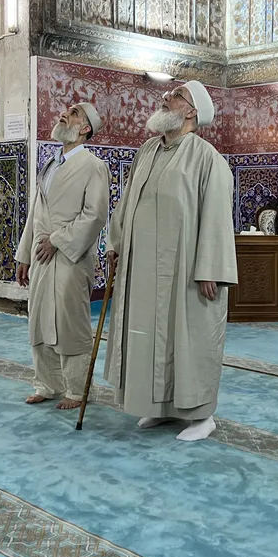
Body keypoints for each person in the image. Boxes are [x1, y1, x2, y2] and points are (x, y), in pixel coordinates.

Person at [104, 80, 237, 441]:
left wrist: (211, 268)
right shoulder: (147, 150)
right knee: (148, 338)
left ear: (192, 112)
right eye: (169, 93)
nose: (165, 96)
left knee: (189, 340)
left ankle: (201, 416)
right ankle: (160, 407)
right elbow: (128, 201)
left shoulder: (207, 158)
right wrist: (115, 242)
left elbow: (217, 218)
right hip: (142, 270)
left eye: (176, 95)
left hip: (186, 271)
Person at [15, 102, 110, 410]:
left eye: (74, 113)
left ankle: (77, 390)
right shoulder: (51, 164)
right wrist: (24, 255)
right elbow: (36, 213)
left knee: (69, 324)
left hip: (70, 257)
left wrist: (57, 241)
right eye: (67, 111)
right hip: (41, 256)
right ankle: (47, 384)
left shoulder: (93, 166)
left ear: (85, 128)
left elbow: (95, 215)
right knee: (39, 321)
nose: (65, 114)